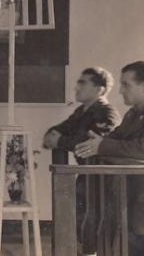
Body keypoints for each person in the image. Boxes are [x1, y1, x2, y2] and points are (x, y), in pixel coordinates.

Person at [43, 67, 121, 255]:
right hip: (86, 176)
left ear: (100, 89)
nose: (76, 87)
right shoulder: (81, 111)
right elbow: (58, 129)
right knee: (80, 226)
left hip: (104, 180)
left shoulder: (107, 112)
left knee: (95, 229)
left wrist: (60, 140)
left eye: (83, 83)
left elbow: (91, 145)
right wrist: (54, 136)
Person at [76, 61, 144, 255]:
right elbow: (116, 137)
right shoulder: (133, 114)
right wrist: (98, 143)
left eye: (126, 85)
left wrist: (102, 145)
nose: (121, 91)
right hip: (127, 200)